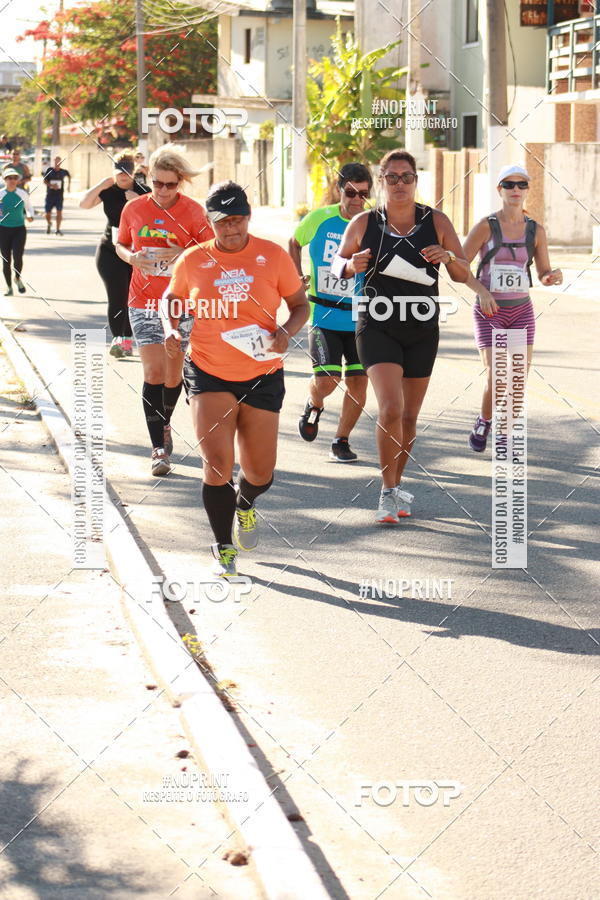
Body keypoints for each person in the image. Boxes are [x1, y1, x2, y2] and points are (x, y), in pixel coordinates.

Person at [162, 181, 309, 577]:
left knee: (260, 472)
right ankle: (223, 545)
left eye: (239, 220)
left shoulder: (273, 256)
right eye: (223, 222)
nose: (232, 229)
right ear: (211, 223)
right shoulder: (193, 260)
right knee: (217, 465)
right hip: (209, 370)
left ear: (248, 217)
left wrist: (286, 332)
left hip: (262, 372)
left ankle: (246, 503)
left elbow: (299, 305)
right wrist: (171, 327)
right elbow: (171, 301)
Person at [335, 149, 469, 524]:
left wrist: (448, 257)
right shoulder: (365, 221)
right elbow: (337, 263)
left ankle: (397, 483)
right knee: (390, 408)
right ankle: (387, 492)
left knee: (409, 417)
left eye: (405, 177)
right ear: (381, 181)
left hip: (422, 328)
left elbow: (461, 271)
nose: (398, 184)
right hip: (376, 325)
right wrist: (349, 265)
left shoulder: (436, 220)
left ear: (415, 180)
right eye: (391, 177)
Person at [116, 144, 213, 476]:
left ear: (180, 183)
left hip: (181, 303)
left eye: (171, 185)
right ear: (148, 178)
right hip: (142, 301)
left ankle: (165, 422)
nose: (163, 190)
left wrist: (182, 252)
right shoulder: (134, 209)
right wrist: (132, 258)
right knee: (153, 373)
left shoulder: (194, 212)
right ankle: (158, 448)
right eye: (157, 183)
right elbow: (122, 242)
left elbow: (212, 253)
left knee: (174, 375)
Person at [462, 163, 563, 452]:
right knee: (496, 374)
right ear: (499, 190)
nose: (515, 190)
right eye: (509, 184)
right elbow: (459, 265)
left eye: (521, 185)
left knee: (517, 378)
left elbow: (543, 272)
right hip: (490, 311)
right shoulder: (486, 226)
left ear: (527, 190)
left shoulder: (536, 230)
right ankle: (485, 419)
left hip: (521, 310)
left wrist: (551, 276)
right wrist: (481, 291)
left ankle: (505, 433)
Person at [289, 163, 371, 462]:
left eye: (362, 194)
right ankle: (314, 402)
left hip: (360, 317)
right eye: (350, 192)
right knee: (327, 381)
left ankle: (341, 440)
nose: (356, 199)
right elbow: (294, 242)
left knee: (358, 382)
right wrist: (296, 275)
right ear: (339, 190)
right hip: (324, 315)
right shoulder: (319, 219)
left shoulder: (371, 223)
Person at [80, 151, 150, 359]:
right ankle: (121, 339)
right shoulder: (108, 190)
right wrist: (100, 185)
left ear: (133, 172)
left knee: (131, 297)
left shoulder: (143, 191)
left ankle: (126, 338)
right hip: (109, 250)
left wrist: (138, 200)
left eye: (126, 172)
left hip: (135, 252)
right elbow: (84, 204)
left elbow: (158, 218)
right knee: (116, 296)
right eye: (119, 172)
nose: (122, 176)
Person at [0, 167, 34, 296]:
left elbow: (29, 206)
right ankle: (9, 287)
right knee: (6, 260)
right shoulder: (1, 194)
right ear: (5, 180)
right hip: (3, 230)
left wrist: (30, 215)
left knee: (18, 257)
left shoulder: (22, 193)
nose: (12, 180)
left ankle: (17, 279)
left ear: (18, 180)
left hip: (19, 229)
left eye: (15, 178)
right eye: (9, 178)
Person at [43, 155, 71, 235]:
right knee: (47, 213)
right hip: (50, 195)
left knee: (59, 212)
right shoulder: (49, 170)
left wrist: (69, 186)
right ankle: (49, 223)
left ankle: (57, 229)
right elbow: (44, 181)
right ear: (54, 162)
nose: (57, 163)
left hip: (59, 196)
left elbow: (69, 176)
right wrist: (51, 186)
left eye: (59, 161)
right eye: (56, 161)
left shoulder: (63, 171)